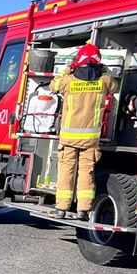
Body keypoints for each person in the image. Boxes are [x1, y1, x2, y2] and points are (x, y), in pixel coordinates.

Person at [49, 43, 118, 219]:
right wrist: (104, 71)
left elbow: (53, 85)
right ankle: (83, 209)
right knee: (86, 172)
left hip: (68, 138)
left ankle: (61, 208)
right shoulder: (104, 82)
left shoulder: (68, 81)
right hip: (90, 139)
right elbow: (114, 86)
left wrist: (66, 70)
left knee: (66, 171)